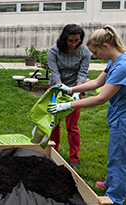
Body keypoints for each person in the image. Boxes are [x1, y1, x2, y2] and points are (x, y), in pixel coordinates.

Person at [47, 25, 126, 205]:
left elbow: (100, 98)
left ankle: (115, 197)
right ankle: (110, 182)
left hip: (124, 118)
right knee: (114, 151)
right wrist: (71, 88)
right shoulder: (113, 62)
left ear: (105, 46)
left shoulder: (123, 66)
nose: (95, 56)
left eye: (96, 52)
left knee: (120, 156)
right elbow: (97, 82)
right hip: (118, 116)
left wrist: (68, 104)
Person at [47, 24, 91, 169]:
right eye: (70, 40)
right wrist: (60, 88)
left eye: (76, 40)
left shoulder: (84, 52)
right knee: (54, 124)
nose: (73, 44)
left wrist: (77, 91)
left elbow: (82, 73)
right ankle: (54, 152)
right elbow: (55, 72)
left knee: (72, 125)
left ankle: (74, 158)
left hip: (74, 88)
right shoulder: (54, 51)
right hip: (56, 88)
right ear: (64, 39)